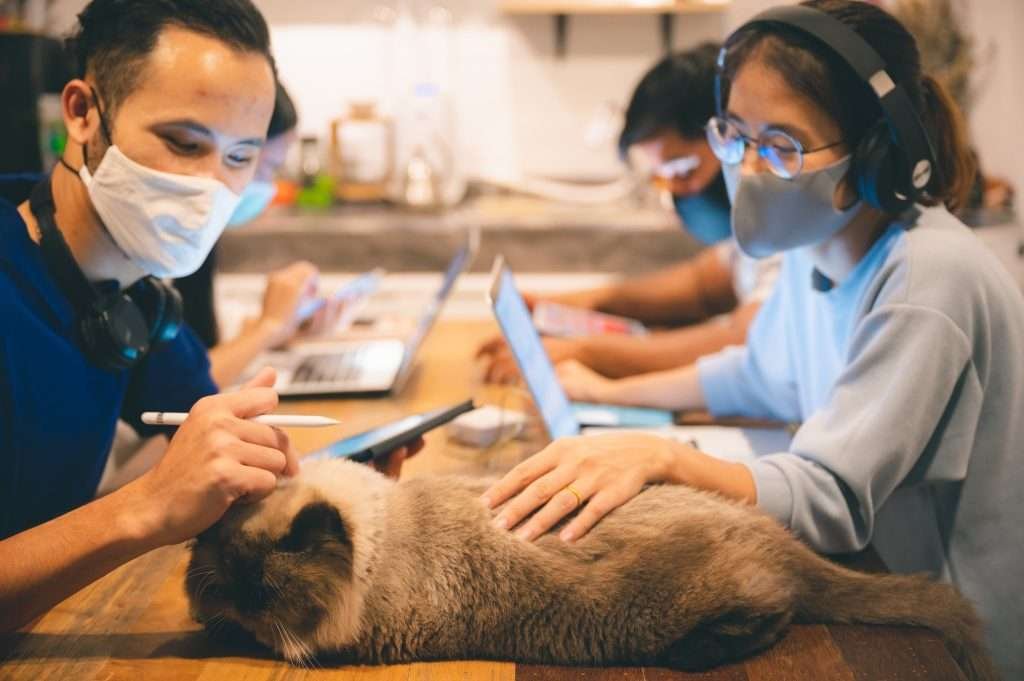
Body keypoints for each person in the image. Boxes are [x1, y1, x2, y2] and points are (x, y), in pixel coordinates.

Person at [480, 1, 1024, 677]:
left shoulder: (928, 277)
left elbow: (831, 496)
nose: (747, 166)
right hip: (881, 584)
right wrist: (605, 391)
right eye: (734, 134)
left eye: (782, 146)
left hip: (950, 636)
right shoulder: (818, 246)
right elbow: (758, 375)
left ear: (874, 155)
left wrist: (662, 457)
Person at [0, 0, 414, 633]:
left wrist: (326, 484)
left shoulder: (135, 300)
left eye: (241, 157)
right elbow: (157, 499)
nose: (212, 185)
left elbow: (204, 467)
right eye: (184, 143)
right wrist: (142, 511)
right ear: (83, 113)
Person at [478, 43, 781, 382]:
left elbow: (742, 339)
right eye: (661, 177)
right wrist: (587, 305)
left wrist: (583, 352)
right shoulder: (751, 234)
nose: (675, 193)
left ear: (730, 138)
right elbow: (702, 287)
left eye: (683, 171)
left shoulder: (790, 229)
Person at [175, 82, 343, 389]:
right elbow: (173, 393)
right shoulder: (155, 254)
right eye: (266, 168)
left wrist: (282, 326)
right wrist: (268, 327)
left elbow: (197, 348)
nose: (269, 187)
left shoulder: (196, 244)